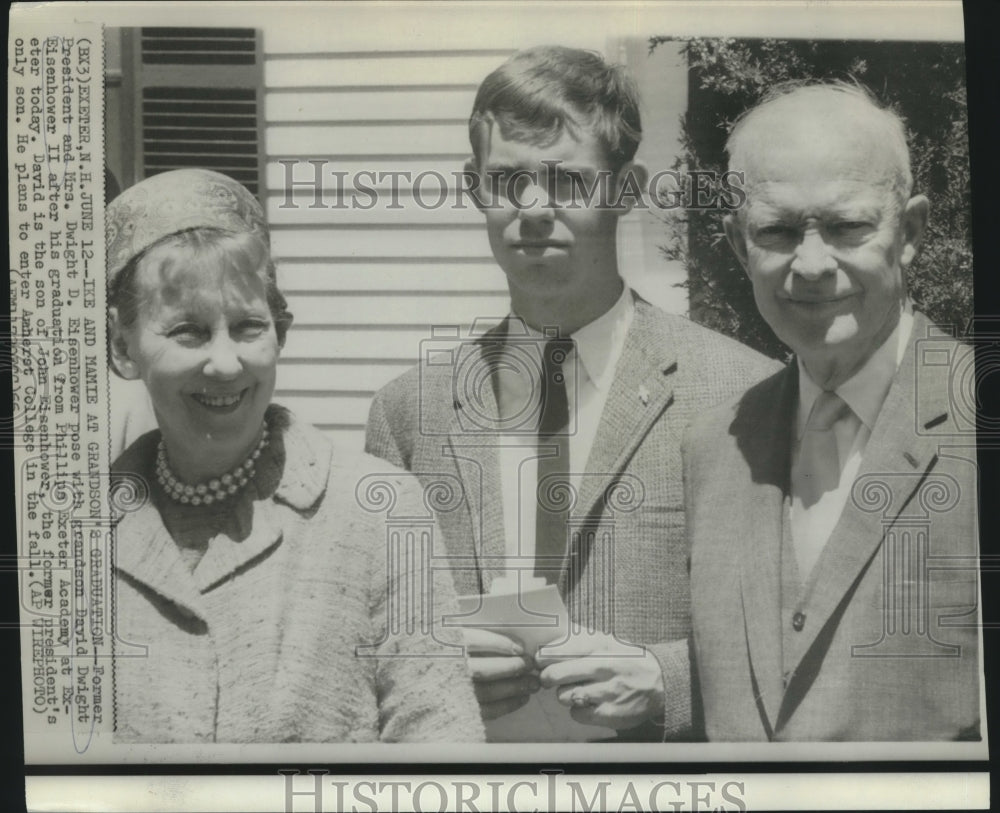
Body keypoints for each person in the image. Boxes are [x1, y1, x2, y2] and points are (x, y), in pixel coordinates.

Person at [365, 46, 778, 741]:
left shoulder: (740, 391)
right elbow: (367, 627)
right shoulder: (409, 412)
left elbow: (790, 633)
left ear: (625, 189)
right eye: (508, 181)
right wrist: (428, 660)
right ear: (474, 189)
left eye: (565, 182)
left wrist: (669, 678)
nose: (532, 210)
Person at [106, 169, 484, 743]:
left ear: (280, 331)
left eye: (248, 326)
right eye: (188, 331)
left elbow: (440, 752)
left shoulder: (377, 512)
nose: (227, 364)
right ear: (122, 347)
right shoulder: (78, 531)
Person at [683, 82, 981, 740]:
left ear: (910, 232)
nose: (812, 264)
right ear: (738, 244)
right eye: (778, 231)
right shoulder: (713, 448)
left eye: (847, 226)